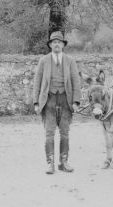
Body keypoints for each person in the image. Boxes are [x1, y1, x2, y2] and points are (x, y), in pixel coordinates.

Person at [32, 31, 81, 174]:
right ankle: (50, 164)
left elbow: (76, 82)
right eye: (54, 42)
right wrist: (36, 103)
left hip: (66, 101)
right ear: (50, 45)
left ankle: (64, 162)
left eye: (59, 42)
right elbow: (37, 83)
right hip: (49, 101)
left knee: (65, 133)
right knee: (49, 133)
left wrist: (76, 101)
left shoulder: (70, 60)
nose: (57, 44)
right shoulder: (43, 61)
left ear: (63, 45)